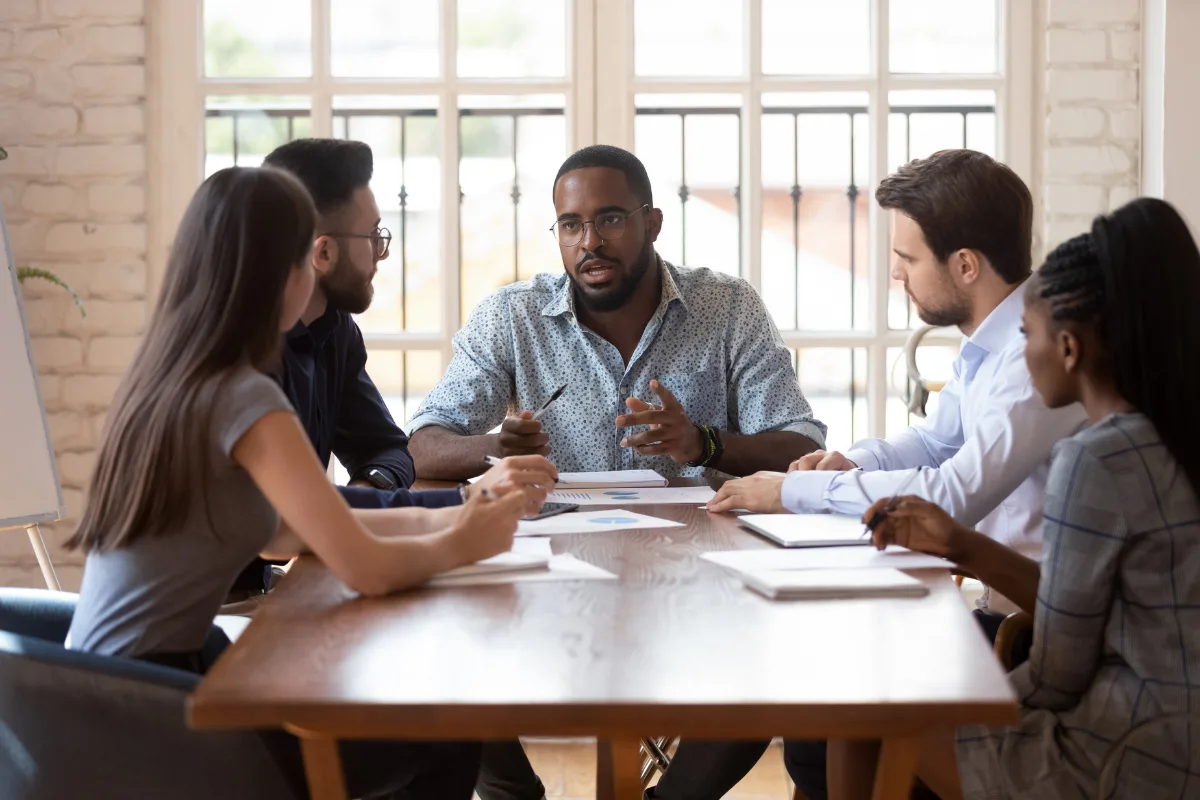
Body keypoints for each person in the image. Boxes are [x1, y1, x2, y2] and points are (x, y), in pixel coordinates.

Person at [65, 166, 531, 799]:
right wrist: (466, 542)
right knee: (444, 734)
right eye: (303, 265)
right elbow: (364, 568)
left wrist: (452, 512)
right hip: (153, 716)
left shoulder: (169, 377)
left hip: (98, 694)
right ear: (282, 274)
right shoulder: (246, 398)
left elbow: (287, 532)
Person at [650, 150, 1088, 800]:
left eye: (907, 258)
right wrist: (852, 462)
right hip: (994, 611)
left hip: (1022, 635)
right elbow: (938, 440)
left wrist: (791, 490)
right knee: (804, 668)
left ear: (964, 265)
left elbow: (954, 494)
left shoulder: (1031, 357)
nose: (895, 275)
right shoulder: (991, 347)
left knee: (813, 669)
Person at [830, 197, 1200, 799]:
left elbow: (1058, 674)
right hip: (1179, 738)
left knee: (860, 701)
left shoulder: (1097, 459)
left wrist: (973, 693)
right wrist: (962, 545)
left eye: (1026, 335)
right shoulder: (1171, 436)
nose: (1020, 355)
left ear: (1071, 349)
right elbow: (1107, 616)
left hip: (1123, 758)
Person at [225, 138, 557, 604]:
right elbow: (316, 538)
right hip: (196, 640)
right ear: (318, 255)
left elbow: (307, 516)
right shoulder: (244, 382)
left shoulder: (323, 336)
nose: (382, 255)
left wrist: (451, 507)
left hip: (230, 609)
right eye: (374, 236)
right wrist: (463, 515)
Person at [408, 144, 827, 481]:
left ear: (653, 224)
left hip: (695, 547)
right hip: (559, 548)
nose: (590, 242)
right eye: (571, 225)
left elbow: (803, 448)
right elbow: (421, 447)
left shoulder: (728, 306)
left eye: (610, 220)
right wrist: (497, 449)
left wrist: (703, 444)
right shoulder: (513, 316)